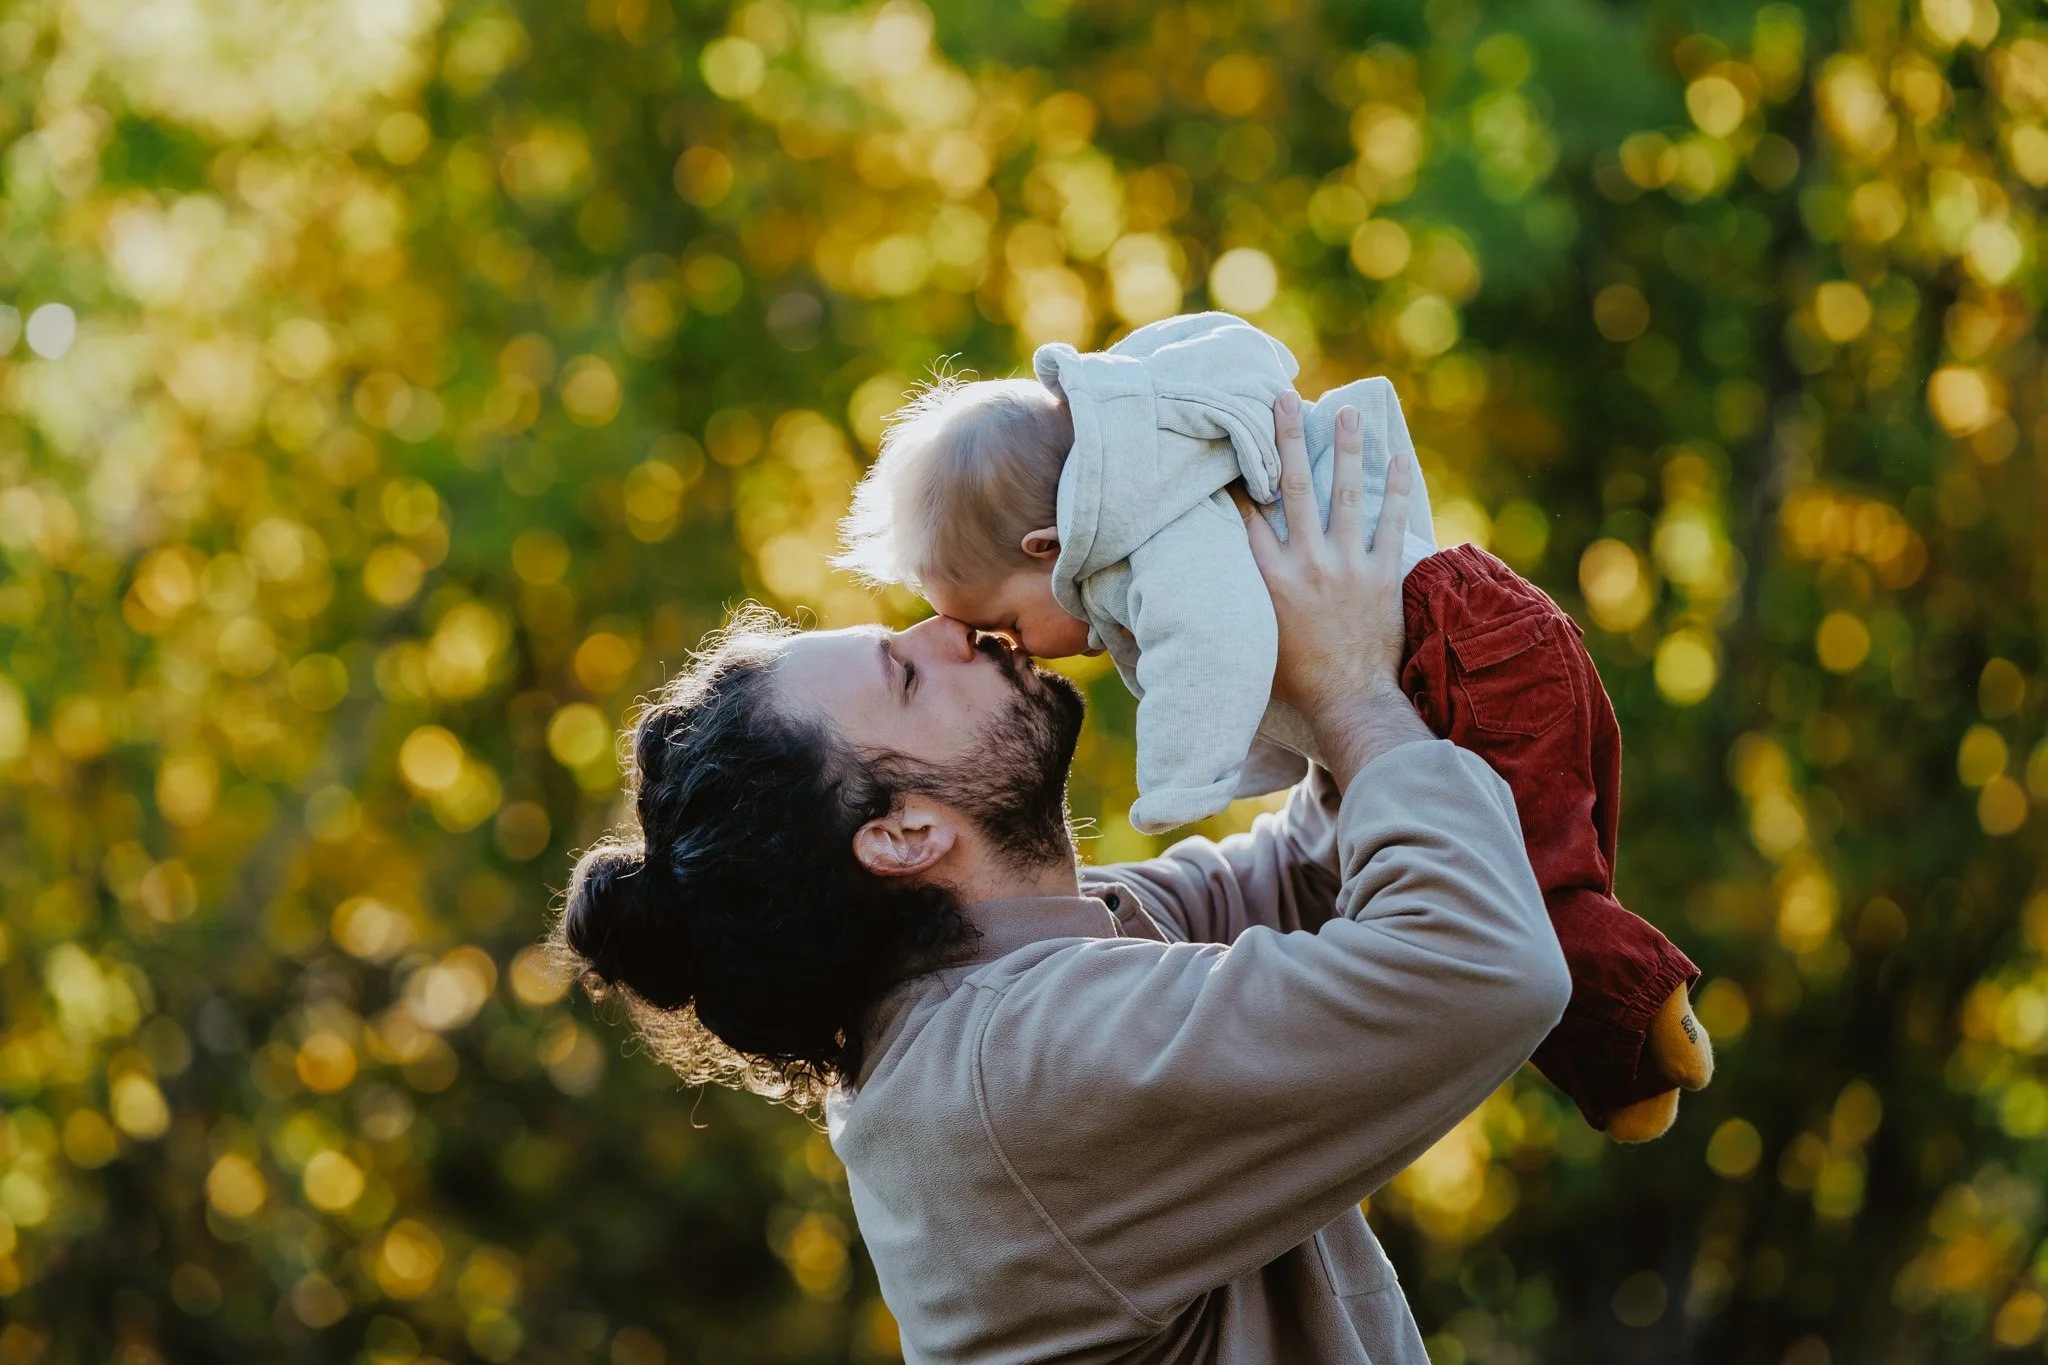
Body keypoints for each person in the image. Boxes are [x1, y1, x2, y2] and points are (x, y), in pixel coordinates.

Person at [554, 398, 1573, 1361]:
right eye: (904, 675)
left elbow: (1312, 871)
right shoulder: (1022, 1071)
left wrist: (1242, 603)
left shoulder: (1020, 977)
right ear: (903, 835)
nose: (947, 628)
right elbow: (1483, 964)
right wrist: (1347, 683)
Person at [831, 314, 1709, 1140]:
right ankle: (1634, 1042)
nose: (1012, 649)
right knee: (1543, 863)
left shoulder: (1166, 548)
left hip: (1463, 664)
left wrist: (1185, 778)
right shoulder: (1158, 483)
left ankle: (1640, 1023)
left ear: (1046, 547)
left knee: (1533, 887)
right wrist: (1342, 713)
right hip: (1482, 647)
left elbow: (1214, 645)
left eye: (1011, 624)